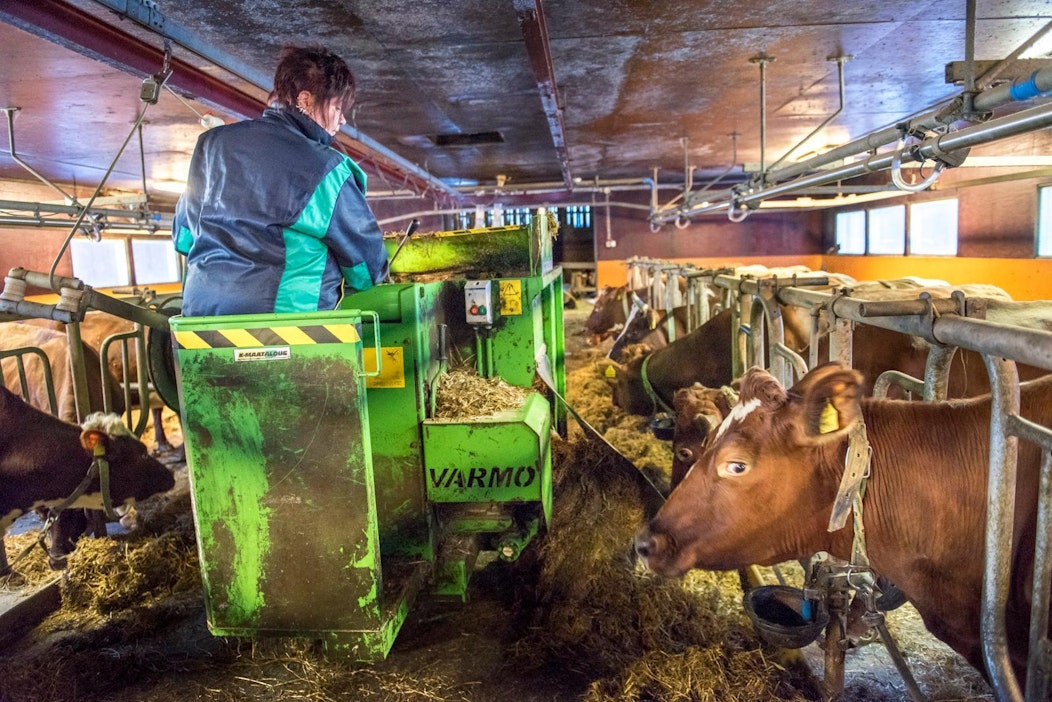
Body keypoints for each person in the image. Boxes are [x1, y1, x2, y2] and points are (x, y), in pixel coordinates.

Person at [172, 45, 389, 316]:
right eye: (337, 107)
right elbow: (367, 270)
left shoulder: (210, 146)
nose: (342, 120)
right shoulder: (327, 169)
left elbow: (183, 239)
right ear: (306, 100)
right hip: (285, 329)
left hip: (201, 322)